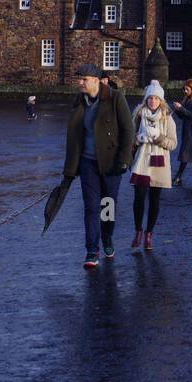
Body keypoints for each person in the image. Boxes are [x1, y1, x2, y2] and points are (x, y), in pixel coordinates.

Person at [61, 64, 133, 269]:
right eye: (79, 79)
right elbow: (74, 136)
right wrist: (71, 167)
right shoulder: (79, 101)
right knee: (91, 207)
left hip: (111, 163)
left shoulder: (115, 98)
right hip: (87, 163)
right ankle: (92, 250)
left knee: (107, 205)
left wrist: (124, 160)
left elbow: (128, 130)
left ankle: (107, 237)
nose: (80, 82)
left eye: (84, 79)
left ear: (95, 80)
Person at [128, 80, 177, 251]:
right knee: (139, 199)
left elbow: (173, 144)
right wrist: (139, 138)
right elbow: (130, 138)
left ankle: (149, 234)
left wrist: (157, 137)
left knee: (154, 200)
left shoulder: (167, 117)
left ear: (161, 100)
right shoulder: (139, 114)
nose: (153, 101)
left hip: (158, 163)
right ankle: (138, 231)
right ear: (146, 99)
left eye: (156, 98)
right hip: (141, 162)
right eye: (150, 98)